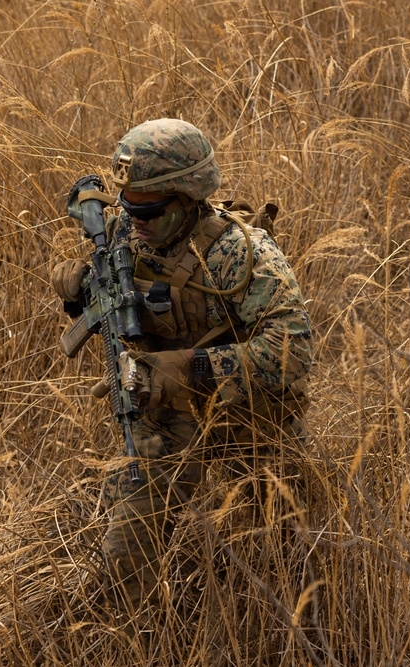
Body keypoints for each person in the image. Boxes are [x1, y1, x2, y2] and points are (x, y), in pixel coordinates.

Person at [50, 118, 312, 613]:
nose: (135, 220)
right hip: (168, 423)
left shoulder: (243, 254)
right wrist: (81, 288)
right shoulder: (127, 230)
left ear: (190, 196)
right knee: (124, 561)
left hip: (248, 420)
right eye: (128, 206)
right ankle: (139, 634)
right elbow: (82, 258)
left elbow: (294, 350)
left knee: (289, 560)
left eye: (150, 209)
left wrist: (187, 368)